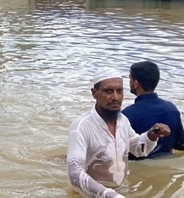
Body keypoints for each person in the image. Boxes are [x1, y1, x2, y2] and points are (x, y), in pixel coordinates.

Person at [67, 69, 172, 198]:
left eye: (119, 91)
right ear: (94, 93)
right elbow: (75, 173)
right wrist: (108, 195)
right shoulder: (81, 127)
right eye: (108, 91)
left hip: (120, 192)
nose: (115, 97)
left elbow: (138, 149)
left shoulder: (123, 121)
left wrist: (152, 135)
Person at [122, 61, 184, 159]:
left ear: (135, 83)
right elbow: (182, 146)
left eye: (130, 79)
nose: (129, 82)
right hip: (166, 166)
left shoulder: (125, 116)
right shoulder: (172, 109)